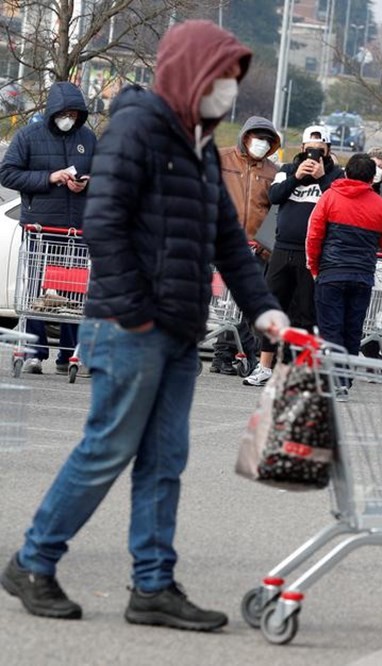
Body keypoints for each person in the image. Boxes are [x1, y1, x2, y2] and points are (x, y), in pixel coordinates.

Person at [0, 20, 287, 629]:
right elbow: (102, 223)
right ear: (189, 74)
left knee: (164, 459)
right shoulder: (137, 127)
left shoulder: (201, 146)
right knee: (107, 448)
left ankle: (153, 586)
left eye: (232, 84)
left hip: (179, 330)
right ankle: (33, 561)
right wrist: (134, 312)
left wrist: (264, 310)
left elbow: (227, 242)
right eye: (221, 81)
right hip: (129, 327)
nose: (227, 95)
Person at [0, 82, 97, 375]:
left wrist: (87, 182)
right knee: (34, 294)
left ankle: (69, 355)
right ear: (53, 111)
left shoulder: (88, 139)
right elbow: (8, 174)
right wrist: (50, 178)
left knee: (74, 294)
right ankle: (34, 352)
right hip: (41, 227)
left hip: (76, 229)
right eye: (64, 112)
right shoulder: (29, 136)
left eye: (74, 113)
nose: (69, 118)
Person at [243, 126, 342, 387]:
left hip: (312, 253)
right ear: (301, 149)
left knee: (307, 312)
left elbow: (339, 201)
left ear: (328, 150)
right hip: (282, 249)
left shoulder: (335, 175)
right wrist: (297, 177)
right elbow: (274, 196)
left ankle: (300, 370)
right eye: (309, 149)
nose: (313, 155)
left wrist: (322, 177)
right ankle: (264, 366)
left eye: (320, 150)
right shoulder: (287, 169)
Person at [306, 153, 382, 377]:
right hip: (362, 275)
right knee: (353, 330)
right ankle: (344, 379)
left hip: (331, 272)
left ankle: (332, 378)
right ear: (373, 177)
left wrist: (314, 267)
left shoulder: (329, 197)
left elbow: (314, 236)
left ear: (346, 172)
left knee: (330, 328)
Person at [212, 115, 281, 376]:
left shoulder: (272, 172)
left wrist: (266, 245)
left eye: (267, 140)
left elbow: (275, 210)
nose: (261, 143)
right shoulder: (222, 159)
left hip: (255, 248)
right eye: (258, 137)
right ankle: (239, 354)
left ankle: (225, 355)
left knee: (240, 305)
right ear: (246, 136)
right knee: (229, 303)